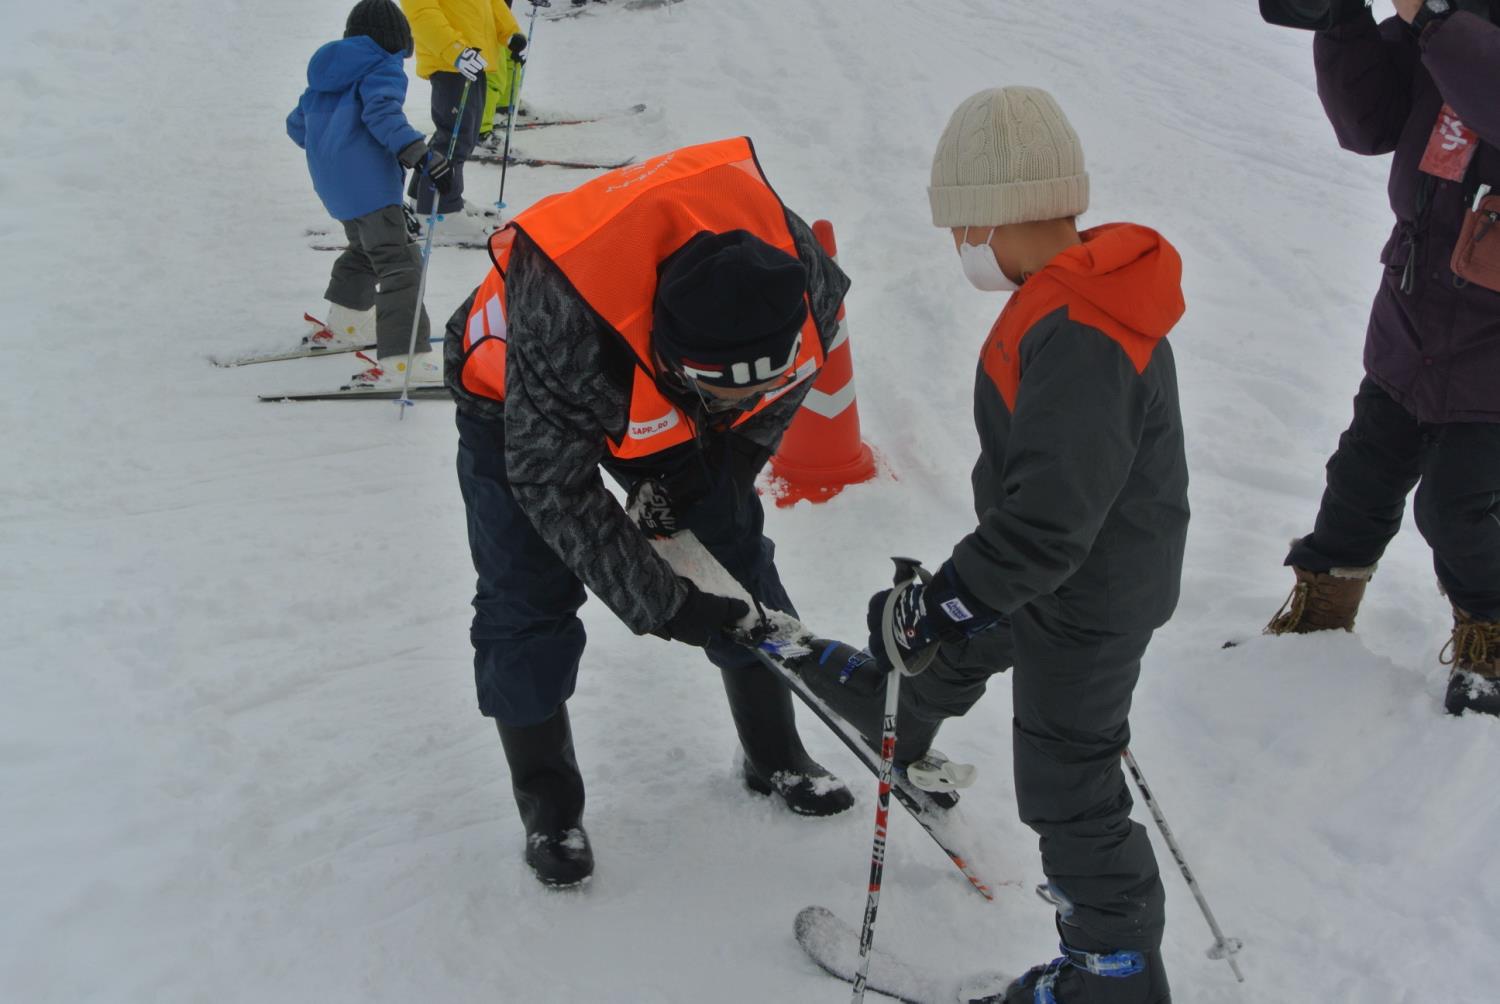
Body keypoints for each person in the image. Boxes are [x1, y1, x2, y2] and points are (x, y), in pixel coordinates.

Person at [794, 87, 1186, 1002]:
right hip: (1079, 570)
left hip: (1088, 593)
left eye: (964, 230)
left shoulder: (1079, 330)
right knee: (963, 637)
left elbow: (1048, 521)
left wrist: (939, 598)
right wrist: (949, 610)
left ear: (998, 219)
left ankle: (1111, 980)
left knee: (1067, 781)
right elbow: (1050, 503)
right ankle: (897, 704)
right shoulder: (1077, 292)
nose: (962, 250)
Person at [445, 137, 857, 889]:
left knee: (737, 560)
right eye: (718, 395)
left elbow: (800, 373)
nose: (737, 407)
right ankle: (550, 807)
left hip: (650, 385)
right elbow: (553, 486)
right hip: (515, 394)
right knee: (524, 598)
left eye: (745, 395)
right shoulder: (563, 314)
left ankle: (775, 755)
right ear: (666, 351)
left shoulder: (804, 283)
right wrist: (666, 603)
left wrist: (725, 462)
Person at [1259, 1, 1500, 716]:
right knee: (1363, 472)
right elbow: (1368, 123)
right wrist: (1342, 24)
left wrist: (1434, 18)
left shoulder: (1453, 24)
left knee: (1456, 507)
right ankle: (1320, 616)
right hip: (1416, 304)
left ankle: (1492, 632)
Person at [287, 0, 451, 389]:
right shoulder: (382, 65)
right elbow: (382, 114)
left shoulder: (325, 74)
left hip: (335, 188)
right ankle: (404, 360)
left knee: (363, 250)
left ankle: (347, 323)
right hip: (371, 188)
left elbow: (297, 127)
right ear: (397, 39)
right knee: (400, 263)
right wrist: (419, 154)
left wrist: (334, 148)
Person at [401, 0, 520, 240]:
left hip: (475, 59)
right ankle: (442, 211)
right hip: (452, 63)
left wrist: (511, 34)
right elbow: (423, 13)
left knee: (464, 134)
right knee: (454, 138)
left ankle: (423, 198)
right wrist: (455, 50)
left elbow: (492, 3)